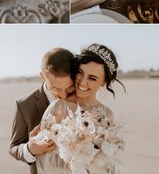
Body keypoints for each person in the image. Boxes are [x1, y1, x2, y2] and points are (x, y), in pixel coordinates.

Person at [35, 43, 123, 174]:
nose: (82, 82)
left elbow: (109, 159)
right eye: (80, 73)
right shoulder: (59, 107)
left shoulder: (107, 114)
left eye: (92, 78)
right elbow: (43, 156)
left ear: (104, 82)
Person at [9, 48, 76, 173]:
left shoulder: (82, 98)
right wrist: (29, 149)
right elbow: (14, 147)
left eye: (69, 88)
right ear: (42, 77)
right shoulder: (24, 104)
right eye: (55, 88)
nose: (63, 95)